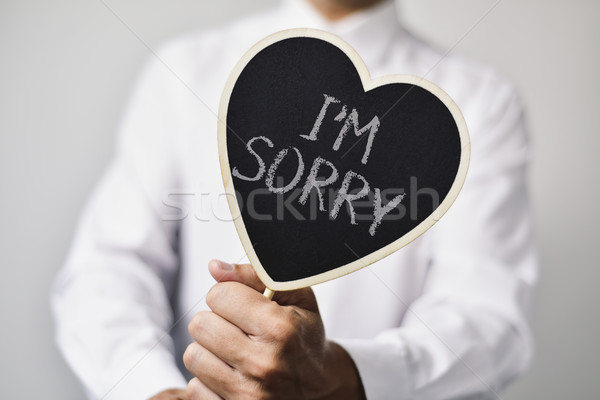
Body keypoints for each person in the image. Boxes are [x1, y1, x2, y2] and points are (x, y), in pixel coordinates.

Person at [51, 0, 538, 399]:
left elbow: (487, 317)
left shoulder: (479, 102)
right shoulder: (184, 67)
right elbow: (107, 268)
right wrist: (151, 390)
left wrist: (342, 373)